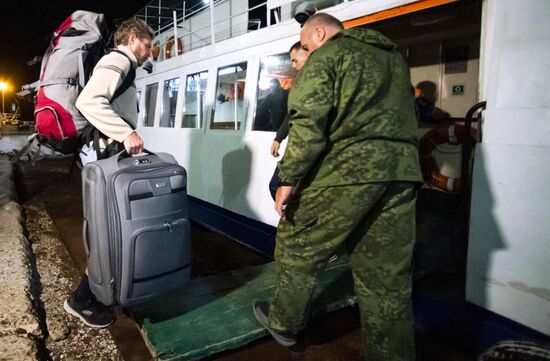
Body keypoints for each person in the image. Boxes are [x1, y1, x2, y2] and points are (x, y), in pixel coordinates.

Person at [253, 13, 422, 361]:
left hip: (348, 170)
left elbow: (308, 126)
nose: (304, 49)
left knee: (297, 245)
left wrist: (287, 179)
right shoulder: (393, 60)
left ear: (318, 32)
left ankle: (284, 322)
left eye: (305, 42)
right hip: (401, 173)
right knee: (386, 275)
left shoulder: (327, 56)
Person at [63, 18, 153, 328]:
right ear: (131, 39)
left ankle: (96, 295)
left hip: (109, 154)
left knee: (111, 232)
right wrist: (125, 133)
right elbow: (88, 101)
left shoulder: (122, 63)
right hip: (107, 155)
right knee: (105, 234)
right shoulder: (118, 60)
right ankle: (82, 299)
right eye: (147, 44)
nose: (149, 52)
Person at [268, 41, 309, 200]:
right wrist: (278, 138)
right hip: (300, 144)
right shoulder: (301, 85)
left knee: (277, 186)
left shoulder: (311, 83)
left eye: (294, 60)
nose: (293, 65)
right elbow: (291, 114)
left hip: (303, 145)